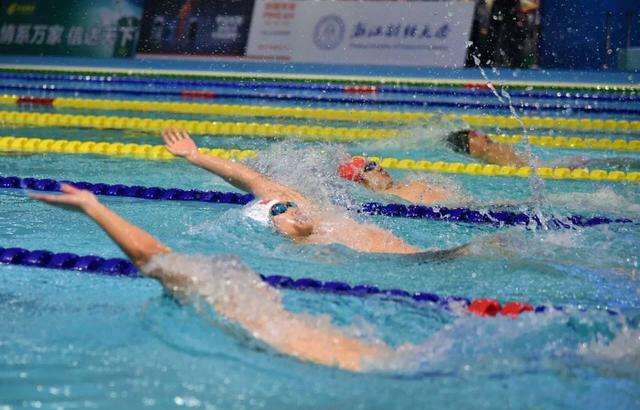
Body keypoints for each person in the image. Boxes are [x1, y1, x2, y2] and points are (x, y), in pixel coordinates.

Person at [28, 184, 400, 372]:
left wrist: (94, 207)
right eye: (281, 210)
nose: (294, 211)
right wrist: (94, 207)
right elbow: (150, 256)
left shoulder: (249, 304)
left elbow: (152, 258)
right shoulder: (242, 303)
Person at [161, 128, 470, 260]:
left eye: (287, 204)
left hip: (423, 255)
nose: (290, 209)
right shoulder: (309, 250)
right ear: (272, 228)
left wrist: (195, 156)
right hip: (410, 261)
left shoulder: (318, 216)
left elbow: (247, 176)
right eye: (278, 212)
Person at [445, 129, 640, 170]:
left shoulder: (491, 149)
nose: (480, 134)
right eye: (473, 135)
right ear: (470, 148)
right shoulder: (488, 153)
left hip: (553, 166)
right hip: (553, 169)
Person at [337, 156, 459, 205]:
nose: (378, 167)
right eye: (369, 167)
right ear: (362, 181)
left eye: (374, 163)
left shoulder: (404, 182)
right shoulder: (386, 200)